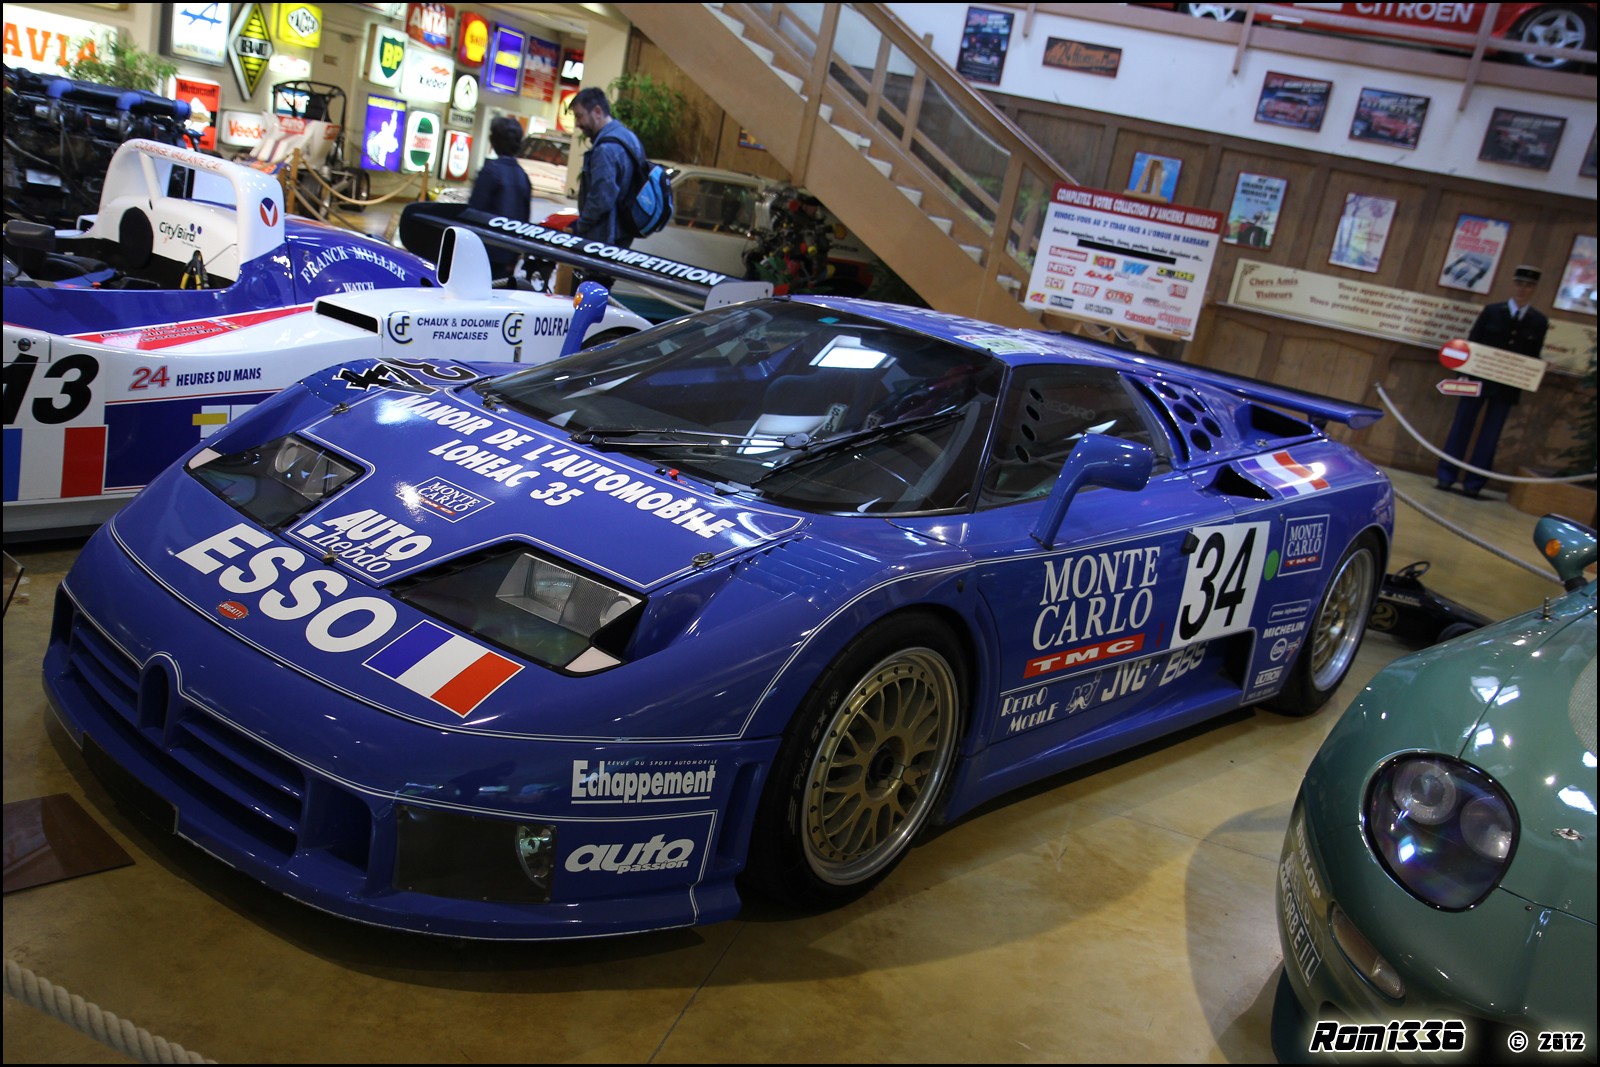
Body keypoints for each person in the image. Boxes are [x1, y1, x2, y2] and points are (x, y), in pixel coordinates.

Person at [1436, 265, 1548, 499]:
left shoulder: (1538, 321)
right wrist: (1463, 375)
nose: (1522, 289)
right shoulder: (1492, 311)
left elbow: (1532, 356)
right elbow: (1472, 343)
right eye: (1519, 284)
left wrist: (1538, 368)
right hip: (1477, 381)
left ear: (1534, 289)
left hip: (1507, 387)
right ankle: (1446, 476)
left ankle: (1474, 484)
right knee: (1461, 426)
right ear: (1513, 284)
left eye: (1528, 285)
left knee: (1490, 436)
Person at [567, 87, 645, 249]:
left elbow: (601, 197)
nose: (577, 124)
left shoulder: (606, 149)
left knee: (594, 275)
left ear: (597, 111)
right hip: (622, 235)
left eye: (579, 116)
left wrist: (581, 225)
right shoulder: (630, 138)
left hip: (603, 237)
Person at [468, 115, 532, 281]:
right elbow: (525, 218)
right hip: (509, 254)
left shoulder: (490, 171)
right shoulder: (522, 176)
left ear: (493, 140)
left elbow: (474, 213)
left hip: (486, 251)